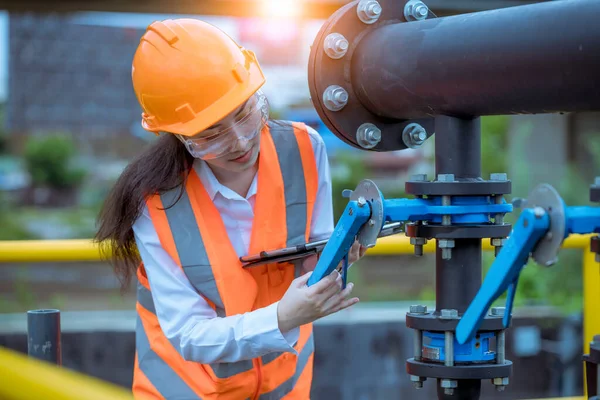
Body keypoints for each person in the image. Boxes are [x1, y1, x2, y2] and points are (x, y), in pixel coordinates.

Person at [95, 18, 367, 399]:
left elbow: (312, 250)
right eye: (211, 132)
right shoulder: (153, 203)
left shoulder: (304, 149)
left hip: (283, 387)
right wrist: (285, 317)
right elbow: (189, 335)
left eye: (243, 113)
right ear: (178, 133)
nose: (240, 142)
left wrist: (334, 255)